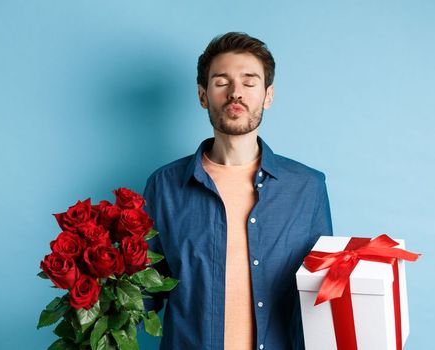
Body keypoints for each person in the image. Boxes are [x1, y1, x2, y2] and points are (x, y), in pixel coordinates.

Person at [143, 32, 333, 350]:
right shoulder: (163, 186)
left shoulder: (307, 188)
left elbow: (322, 293)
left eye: (249, 82)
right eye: (221, 82)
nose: (236, 93)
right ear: (203, 95)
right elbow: (145, 290)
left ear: (267, 95)